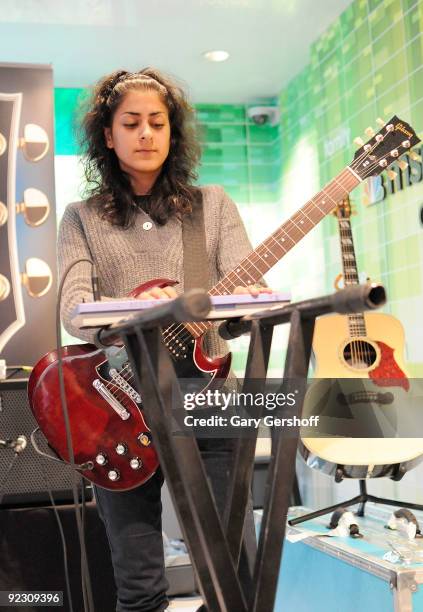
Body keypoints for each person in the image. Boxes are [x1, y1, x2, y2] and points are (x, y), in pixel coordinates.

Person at [58, 68, 271, 612]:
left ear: (172, 133)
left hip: (211, 398)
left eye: (158, 122)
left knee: (235, 575)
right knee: (139, 586)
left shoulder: (213, 205)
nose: (146, 133)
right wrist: (147, 309)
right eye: (131, 123)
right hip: (121, 408)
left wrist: (236, 305)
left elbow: (248, 307)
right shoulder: (81, 217)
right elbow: (73, 312)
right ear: (108, 135)